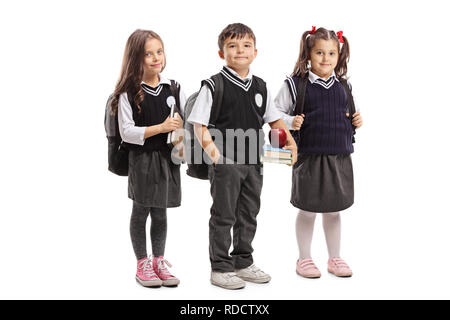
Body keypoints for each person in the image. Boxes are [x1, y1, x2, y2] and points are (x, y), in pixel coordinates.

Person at [188, 23, 297, 290]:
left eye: (246, 45)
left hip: (254, 162)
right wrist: (216, 157)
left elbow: (274, 122)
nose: (240, 51)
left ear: (255, 52)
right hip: (226, 163)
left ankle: (243, 262)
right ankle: (221, 267)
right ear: (221, 52)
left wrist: (290, 143)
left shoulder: (261, 86)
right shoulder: (213, 85)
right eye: (233, 46)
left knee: (249, 213)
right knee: (224, 215)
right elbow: (199, 125)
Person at [275, 27, 363, 278]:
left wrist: (357, 120)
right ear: (308, 55)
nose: (326, 58)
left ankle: (334, 258)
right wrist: (290, 121)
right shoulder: (295, 85)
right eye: (320, 52)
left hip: (339, 156)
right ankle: (304, 259)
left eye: (332, 53)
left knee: (334, 210)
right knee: (308, 209)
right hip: (309, 157)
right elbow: (274, 114)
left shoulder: (344, 86)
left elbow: (346, 114)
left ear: (339, 55)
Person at [111, 29, 185, 287]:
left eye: (159, 51)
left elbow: (183, 124)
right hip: (142, 161)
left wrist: (182, 140)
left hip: (167, 160)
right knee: (141, 210)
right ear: (135, 59)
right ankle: (142, 262)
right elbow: (127, 131)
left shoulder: (173, 88)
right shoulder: (128, 94)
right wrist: (161, 128)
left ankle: (159, 261)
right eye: (148, 54)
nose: (156, 58)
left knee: (161, 211)